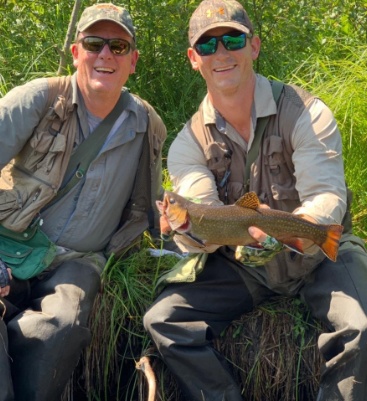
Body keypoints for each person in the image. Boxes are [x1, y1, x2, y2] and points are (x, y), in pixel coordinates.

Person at [143, 0, 367, 400]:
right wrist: (188, 229)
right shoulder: (187, 144)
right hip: (244, 267)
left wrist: (290, 231)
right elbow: (203, 216)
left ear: (255, 46)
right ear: (194, 59)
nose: (222, 53)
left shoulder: (306, 112)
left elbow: (326, 195)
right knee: (164, 320)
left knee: (360, 328)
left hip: (317, 254)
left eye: (232, 39)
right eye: (208, 46)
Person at [0, 3, 166, 401]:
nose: (105, 55)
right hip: (8, 244)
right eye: (94, 43)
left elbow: (155, 208)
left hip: (76, 262)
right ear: (76, 53)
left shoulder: (148, 126)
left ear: (133, 61)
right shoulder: (38, 99)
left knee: (66, 323)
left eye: (118, 46)